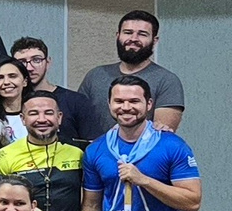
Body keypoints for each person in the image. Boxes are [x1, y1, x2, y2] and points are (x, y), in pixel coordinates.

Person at [80, 76, 203, 211]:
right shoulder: (96, 149)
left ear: (149, 104)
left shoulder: (172, 146)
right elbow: (91, 205)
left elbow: (192, 202)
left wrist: (144, 180)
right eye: (119, 101)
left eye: (134, 101)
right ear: (109, 104)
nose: (126, 107)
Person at [76, 10, 185, 138]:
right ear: (118, 36)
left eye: (142, 34)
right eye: (128, 33)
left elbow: (161, 134)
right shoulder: (95, 76)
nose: (133, 39)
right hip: (96, 154)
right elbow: (78, 120)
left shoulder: (167, 80)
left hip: (144, 156)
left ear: (154, 41)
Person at [0, 93, 84, 211]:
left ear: (59, 117)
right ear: (23, 119)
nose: (42, 119)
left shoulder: (77, 154)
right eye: (34, 113)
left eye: (48, 113)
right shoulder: (3, 157)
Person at [8, 36, 94, 143]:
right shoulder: (10, 103)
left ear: (48, 63)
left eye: (36, 60)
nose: (29, 68)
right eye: (22, 62)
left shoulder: (76, 101)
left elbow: (91, 144)